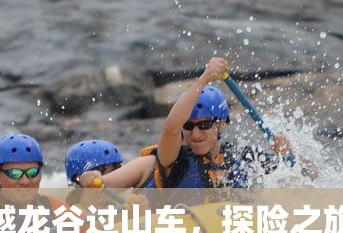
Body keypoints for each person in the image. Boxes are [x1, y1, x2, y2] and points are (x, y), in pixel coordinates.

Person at [93, 55, 305, 191]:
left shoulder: (244, 157)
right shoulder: (173, 160)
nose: (195, 134)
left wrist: (289, 154)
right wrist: (204, 78)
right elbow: (170, 129)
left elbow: (307, 177)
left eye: (203, 125)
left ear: (220, 124)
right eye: (189, 126)